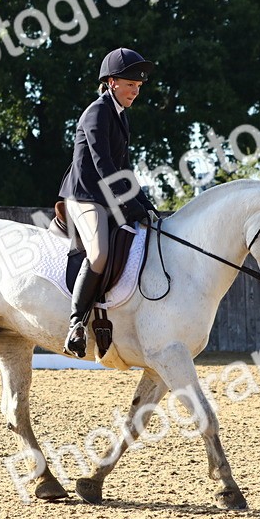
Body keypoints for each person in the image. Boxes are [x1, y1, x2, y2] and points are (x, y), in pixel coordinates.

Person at [57, 47, 159, 358]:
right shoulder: (97, 112)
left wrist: (146, 204)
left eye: (139, 86)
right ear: (112, 81)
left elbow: (124, 170)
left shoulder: (121, 117)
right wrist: (130, 207)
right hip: (84, 195)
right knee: (99, 253)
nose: (136, 91)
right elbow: (104, 166)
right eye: (131, 84)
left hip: (106, 196)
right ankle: (76, 324)